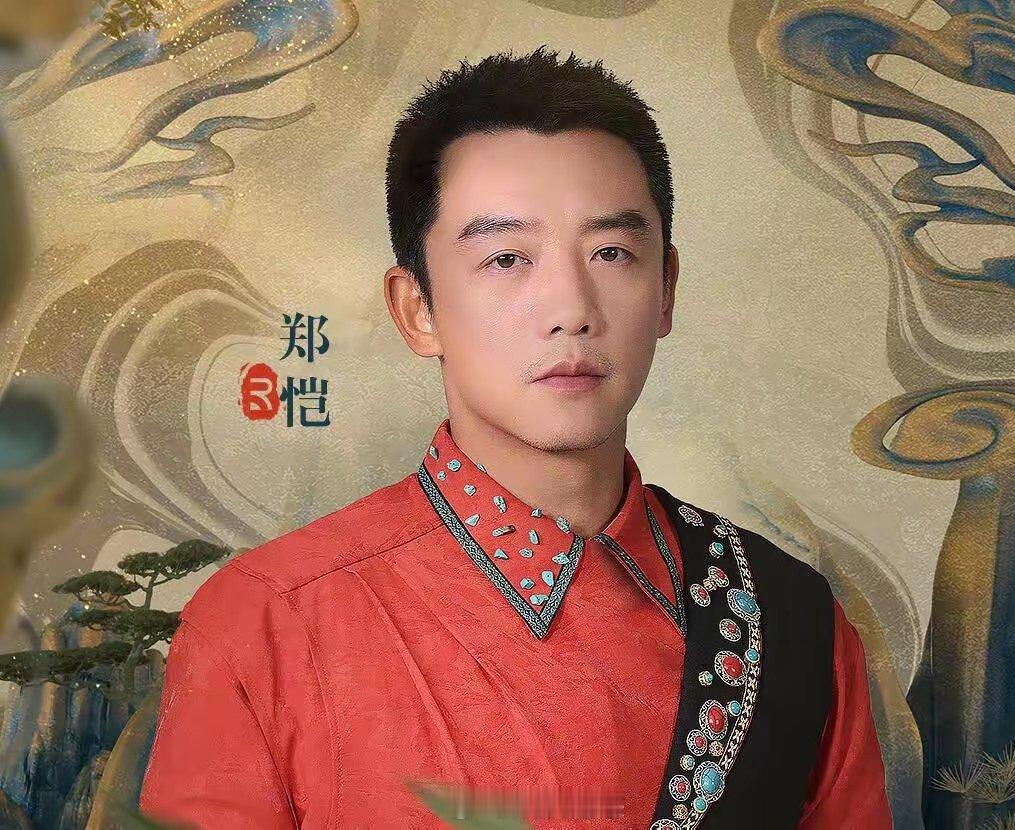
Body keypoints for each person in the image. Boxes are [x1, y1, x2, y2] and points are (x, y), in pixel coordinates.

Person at [138, 45, 893, 829]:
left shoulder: (785, 615)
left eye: (611, 253)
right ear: (417, 309)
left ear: (666, 288)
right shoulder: (267, 624)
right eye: (506, 259)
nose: (571, 308)